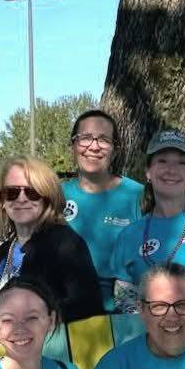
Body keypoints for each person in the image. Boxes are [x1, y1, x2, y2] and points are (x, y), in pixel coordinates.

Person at [107, 128, 185, 327]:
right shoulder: (129, 235)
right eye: (162, 161)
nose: (172, 170)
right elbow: (124, 298)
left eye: (182, 163)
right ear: (148, 172)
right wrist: (144, 321)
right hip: (153, 338)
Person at [0, 156, 102, 345]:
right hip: (6, 358)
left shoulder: (65, 243)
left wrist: (16, 324)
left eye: (32, 192)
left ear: (47, 198)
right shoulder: (3, 252)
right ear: (1, 200)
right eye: (11, 192)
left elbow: (87, 306)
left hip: (50, 356)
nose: (21, 199)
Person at [60, 108, 144, 310]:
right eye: (85, 138)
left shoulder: (138, 195)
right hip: (65, 306)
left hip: (124, 310)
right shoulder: (56, 195)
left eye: (104, 140)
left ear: (115, 149)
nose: (94, 146)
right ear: (73, 146)